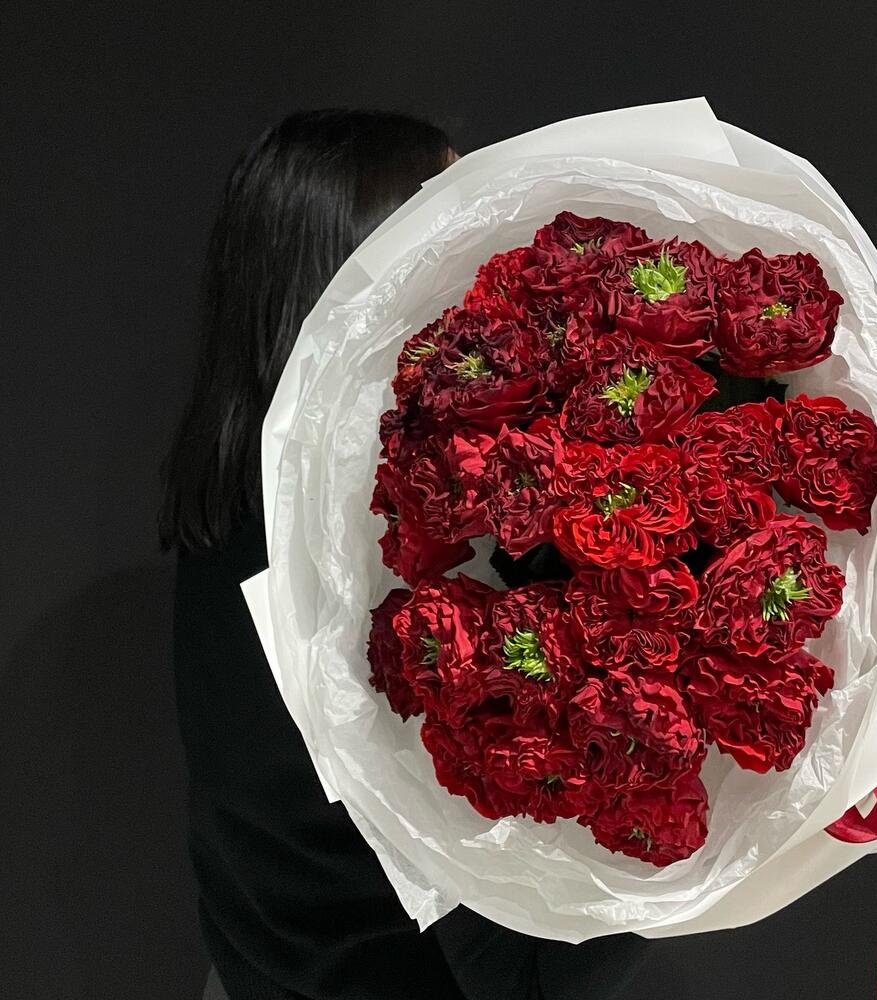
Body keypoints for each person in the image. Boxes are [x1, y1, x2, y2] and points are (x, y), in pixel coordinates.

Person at [161, 107, 690, 1000]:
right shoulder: (374, 577)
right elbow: (520, 971)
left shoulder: (232, 500)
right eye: (458, 224)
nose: (495, 255)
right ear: (370, 277)